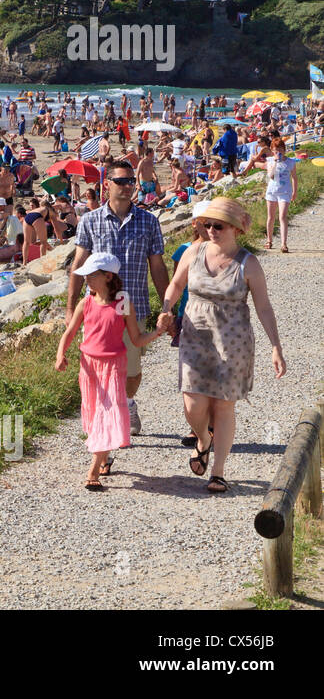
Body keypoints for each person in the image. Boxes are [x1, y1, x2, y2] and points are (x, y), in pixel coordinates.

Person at [160, 198, 285, 494]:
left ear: (235, 229)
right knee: (192, 402)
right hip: (195, 334)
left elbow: (264, 308)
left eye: (218, 226)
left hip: (233, 340)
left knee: (224, 405)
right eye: (207, 225)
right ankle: (203, 439)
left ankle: (218, 471)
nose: (211, 230)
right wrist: (166, 307)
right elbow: (177, 285)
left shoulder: (248, 263)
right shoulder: (194, 251)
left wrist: (276, 346)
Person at [69, 160, 168, 436]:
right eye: (120, 181)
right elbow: (78, 265)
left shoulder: (148, 222)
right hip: (99, 309)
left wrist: (168, 307)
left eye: (130, 182)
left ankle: (127, 401)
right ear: (106, 184)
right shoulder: (90, 220)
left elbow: (157, 267)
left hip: (132, 307)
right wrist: (70, 310)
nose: (126, 187)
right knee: (101, 370)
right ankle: (106, 427)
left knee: (132, 372)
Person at [57, 253, 170, 490]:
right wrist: (61, 354)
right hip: (88, 365)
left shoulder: (123, 304)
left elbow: (137, 340)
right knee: (91, 413)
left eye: (91, 275)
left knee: (105, 413)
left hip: (113, 367)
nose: (86, 279)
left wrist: (159, 331)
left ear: (108, 276)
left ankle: (93, 470)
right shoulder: (85, 302)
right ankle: (103, 455)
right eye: (85, 275)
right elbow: (69, 333)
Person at [244, 136, 297, 252]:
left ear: (284, 149)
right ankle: (269, 240)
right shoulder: (270, 161)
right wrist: (276, 162)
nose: (279, 152)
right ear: (272, 151)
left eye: (281, 150)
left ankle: (284, 243)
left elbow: (294, 178)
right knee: (271, 217)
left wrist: (294, 192)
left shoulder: (290, 162)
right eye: (276, 150)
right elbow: (271, 176)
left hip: (285, 191)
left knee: (282, 216)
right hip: (272, 191)